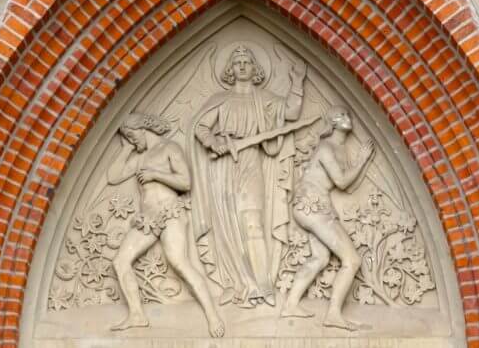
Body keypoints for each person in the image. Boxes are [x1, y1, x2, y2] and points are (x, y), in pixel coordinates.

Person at [188, 45, 307, 306]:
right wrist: (213, 143)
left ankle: (263, 285)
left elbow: (291, 113)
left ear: (255, 69)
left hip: (251, 160)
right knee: (228, 226)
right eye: (237, 61)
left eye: (247, 62)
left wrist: (297, 82)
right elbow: (201, 128)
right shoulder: (221, 100)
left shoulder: (264, 99)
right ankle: (241, 283)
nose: (242, 65)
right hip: (223, 168)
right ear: (230, 69)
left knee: (252, 221)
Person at [107, 113, 225, 337]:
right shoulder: (140, 157)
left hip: (171, 213)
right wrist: (125, 149)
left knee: (179, 262)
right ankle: (137, 315)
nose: (133, 141)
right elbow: (113, 177)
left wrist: (155, 174)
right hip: (148, 219)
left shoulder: (169, 148)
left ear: (143, 128)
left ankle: (213, 316)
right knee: (120, 260)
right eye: (129, 139)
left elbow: (185, 182)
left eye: (132, 136)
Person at [281, 105, 374, 331]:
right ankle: (333, 314)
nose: (347, 117)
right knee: (352, 260)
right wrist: (361, 160)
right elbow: (342, 181)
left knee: (320, 259)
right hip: (313, 206)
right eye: (341, 115)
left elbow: (348, 187)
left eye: (347, 113)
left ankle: (290, 305)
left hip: (315, 207)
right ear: (332, 122)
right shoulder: (326, 147)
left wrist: (362, 162)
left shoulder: (339, 149)